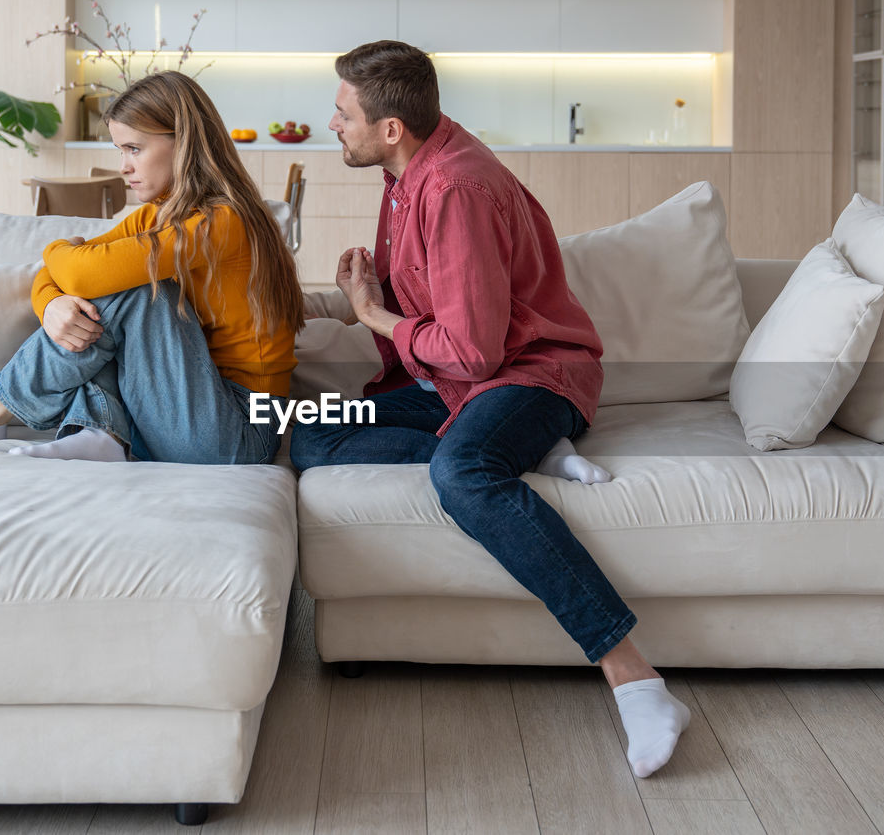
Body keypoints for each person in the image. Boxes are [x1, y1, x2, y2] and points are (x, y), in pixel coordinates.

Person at [290, 41, 689, 779]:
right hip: (454, 388)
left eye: (342, 113)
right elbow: (439, 326)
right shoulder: (402, 175)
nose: (331, 124)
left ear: (389, 128)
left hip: (531, 375)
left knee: (464, 472)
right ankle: (521, 450)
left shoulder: (455, 190)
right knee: (310, 436)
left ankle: (635, 677)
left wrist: (375, 317)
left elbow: (474, 354)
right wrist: (372, 295)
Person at [0, 71, 303, 465]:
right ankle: (102, 434)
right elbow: (58, 276)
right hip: (188, 408)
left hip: (242, 430)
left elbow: (82, 272)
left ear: (185, 143)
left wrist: (57, 251)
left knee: (139, 292)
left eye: (134, 149)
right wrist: (52, 306)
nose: (123, 167)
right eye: (120, 150)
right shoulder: (155, 218)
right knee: (104, 297)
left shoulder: (223, 222)